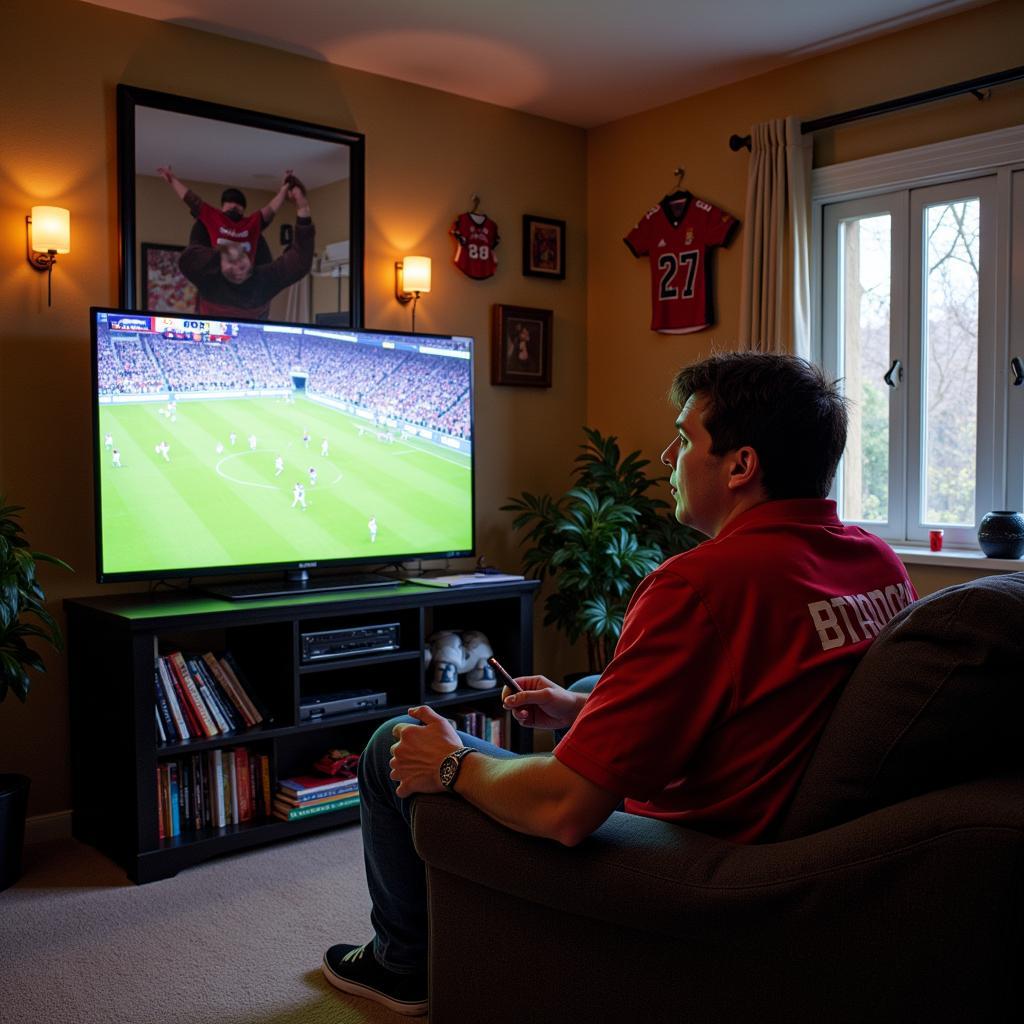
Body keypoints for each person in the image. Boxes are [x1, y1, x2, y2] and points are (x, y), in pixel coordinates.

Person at [321, 352, 916, 1016]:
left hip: (688, 856)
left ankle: (402, 966)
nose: (668, 453)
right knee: (586, 681)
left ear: (741, 466)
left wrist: (454, 762)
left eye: (686, 438)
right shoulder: (876, 561)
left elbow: (566, 811)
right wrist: (582, 706)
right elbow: (770, 681)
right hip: (792, 832)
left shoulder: (698, 584)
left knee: (391, 742)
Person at [178, 181, 315, 320]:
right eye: (233, 262)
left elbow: (299, 261)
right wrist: (303, 209)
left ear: (250, 258)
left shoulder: (211, 277)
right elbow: (300, 262)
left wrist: (302, 206)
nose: (237, 267)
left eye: (240, 260)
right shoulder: (260, 281)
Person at [157, 165, 293, 263]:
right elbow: (192, 200)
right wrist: (173, 181)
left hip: (246, 281)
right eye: (229, 202)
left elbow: (271, 208)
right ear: (222, 207)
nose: (234, 206)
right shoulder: (213, 217)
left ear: (244, 210)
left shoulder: (252, 223)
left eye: (239, 204)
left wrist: (284, 189)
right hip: (219, 277)